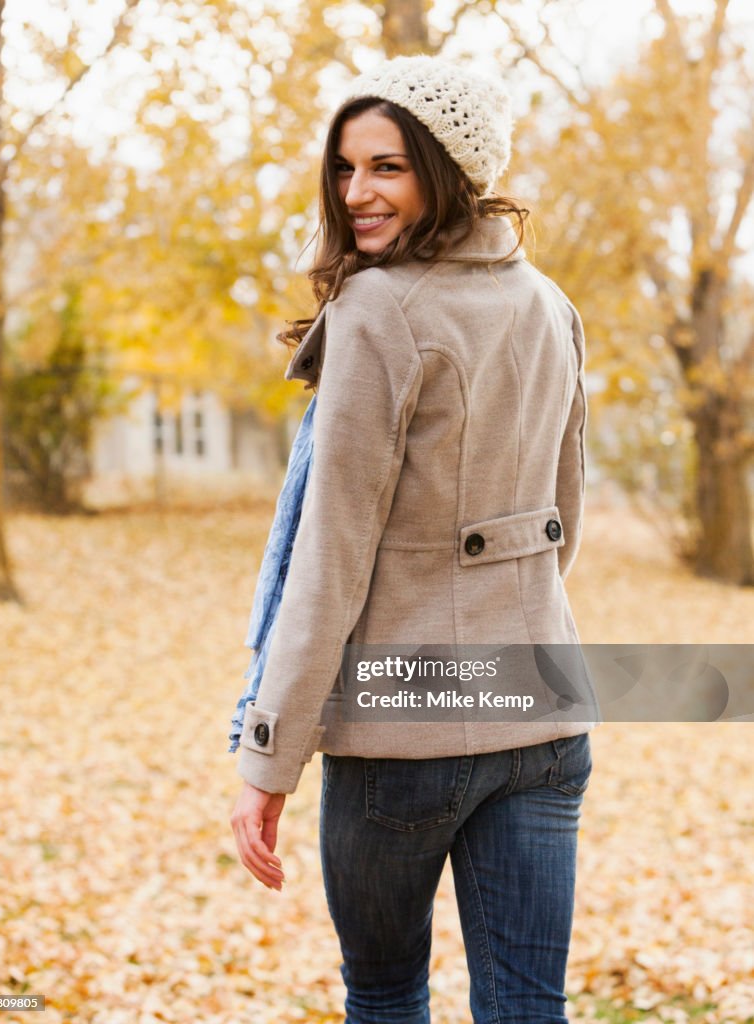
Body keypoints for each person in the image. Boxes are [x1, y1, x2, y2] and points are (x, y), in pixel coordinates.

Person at [230, 53, 596, 1024]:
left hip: (402, 729)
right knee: (527, 1006)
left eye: (386, 167)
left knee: (386, 997)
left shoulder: (375, 310)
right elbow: (563, 517)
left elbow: (328, 562)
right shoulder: (548, 305)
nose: (357, 192)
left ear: (446, 167)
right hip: (543, 711)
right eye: (346, 168)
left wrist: (266, 757)